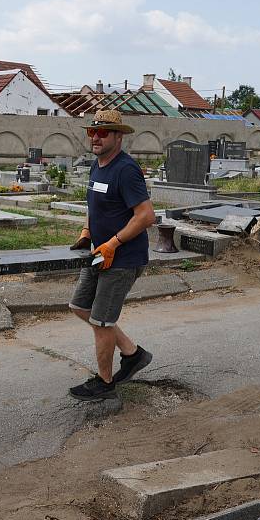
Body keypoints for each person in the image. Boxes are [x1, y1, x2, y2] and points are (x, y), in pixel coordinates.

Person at [68, 109, 156, 402]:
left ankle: (105, 383)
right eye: (92, 132)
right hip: (98, 252)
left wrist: (113, 244)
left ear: (118, 136)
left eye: (103, 132)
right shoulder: (97, 166)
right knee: (80, 306)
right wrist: (86, 231)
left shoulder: (126, 170)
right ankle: (132, 354)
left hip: (122, 259)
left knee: (102, 322)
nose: (95, 137)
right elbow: (94, 206)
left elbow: (146, 216)